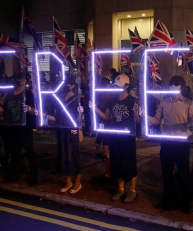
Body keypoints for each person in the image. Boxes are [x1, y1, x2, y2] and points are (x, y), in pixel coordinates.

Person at [148, 75, 193, 213]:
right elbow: (156, 120)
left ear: (181, 88)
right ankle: (167, 200)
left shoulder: (188, 103)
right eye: (171, 87)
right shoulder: (164, 103)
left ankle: (187, 202)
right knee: (166, 173)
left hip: (181, 143)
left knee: (184, 173)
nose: (173, 90)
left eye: (176, 87)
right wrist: (145, 117)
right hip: (166, 142)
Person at [94, 73, 139, 202]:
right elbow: (107, 117)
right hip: (115, 136)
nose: (117, 88)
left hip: (128, 138)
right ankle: (120, 189)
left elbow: (137, 120)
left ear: (127, 86)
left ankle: (132, 190)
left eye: (119, 86)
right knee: (117, 162)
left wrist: (137, 112)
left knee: (129, 163)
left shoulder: (132, 101)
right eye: (115, 86)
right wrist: (94, 108)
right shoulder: (112, 100)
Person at [42, 77, 83, 194]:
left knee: (74, 155)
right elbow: (56, 117)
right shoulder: (60, 99)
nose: (66, 87)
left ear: (73, 86)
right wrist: (45, 115)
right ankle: (68, 181)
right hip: (61, 130)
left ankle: (77, 182)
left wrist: (79, 127)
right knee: (64, 156)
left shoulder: (77, 99)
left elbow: (79, 117)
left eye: (68, 85)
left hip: (72, 130)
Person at [2, 72, 38, 186]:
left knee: (29, 151)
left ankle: (33, 176)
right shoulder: (10, 94)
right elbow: (5, 108)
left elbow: (35, 110)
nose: (19, 81)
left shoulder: (29, 94)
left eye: (21, 79)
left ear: (26, 81)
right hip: (13, 127)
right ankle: (14, 173)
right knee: (14, 151)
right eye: (17, 79)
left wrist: (29, 109)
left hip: (25, 127)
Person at [94, 77, 112, 161]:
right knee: (106, 136)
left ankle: (97, 153)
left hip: (98, 116)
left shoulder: (98, 93)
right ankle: (105, 154)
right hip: (105, 116)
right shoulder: (108, 94)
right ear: (107, 85)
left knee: (100, 135)